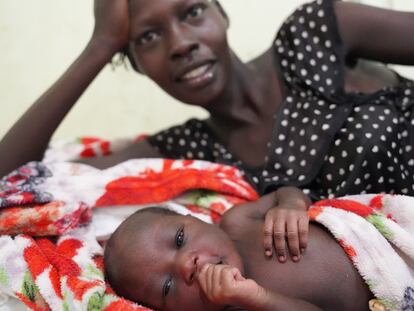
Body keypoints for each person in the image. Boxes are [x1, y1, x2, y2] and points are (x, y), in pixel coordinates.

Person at [0, 0, 413, 241]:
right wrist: (100, 45)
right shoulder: (189, 153)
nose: (181, 43)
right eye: (147, 37)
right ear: (137, 66)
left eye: (193, 11)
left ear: (222, 13)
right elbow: (12, 181)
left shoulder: (317, 32)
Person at [104, 190, 374, 311]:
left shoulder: (238, 221)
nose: (188, 264)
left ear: (197, 219)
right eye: (167, 286)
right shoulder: (241, 307)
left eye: (179, 239)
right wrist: (258, 298)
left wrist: (291, 205)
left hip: (382, 246)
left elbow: (285, 192)